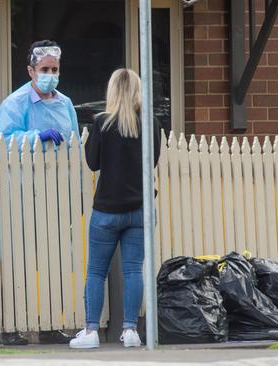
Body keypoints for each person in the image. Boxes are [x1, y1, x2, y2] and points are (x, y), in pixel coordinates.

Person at [69, 69, 161, 349]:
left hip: (107, 209)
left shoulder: (101, 123)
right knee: (134, 270)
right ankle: (131, 331)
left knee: (96, 271)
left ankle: (91, 332)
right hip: (139, 209)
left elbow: (92, 162)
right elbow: (152, 162)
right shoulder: (151, 123)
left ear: (112, 91)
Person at [0, 40, 79, 148]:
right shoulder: (15, 103)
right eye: (44, 69)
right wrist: (37, 137)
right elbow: (1, 141)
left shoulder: (66, 103)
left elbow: (76, 143)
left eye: (54, 69)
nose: (50, 74)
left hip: (63, 164)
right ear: (31, 71)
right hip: (27, 165)